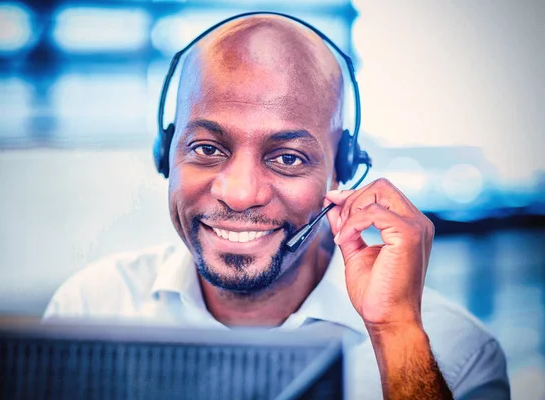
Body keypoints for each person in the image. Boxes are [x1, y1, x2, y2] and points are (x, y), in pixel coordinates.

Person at [44, 14, 510, 399]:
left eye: (287, 158)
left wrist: (395, 334)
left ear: (341, 170)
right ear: (166, 152)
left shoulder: (454, 355)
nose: (241, 193)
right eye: (207, 148)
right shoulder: (90, 309)